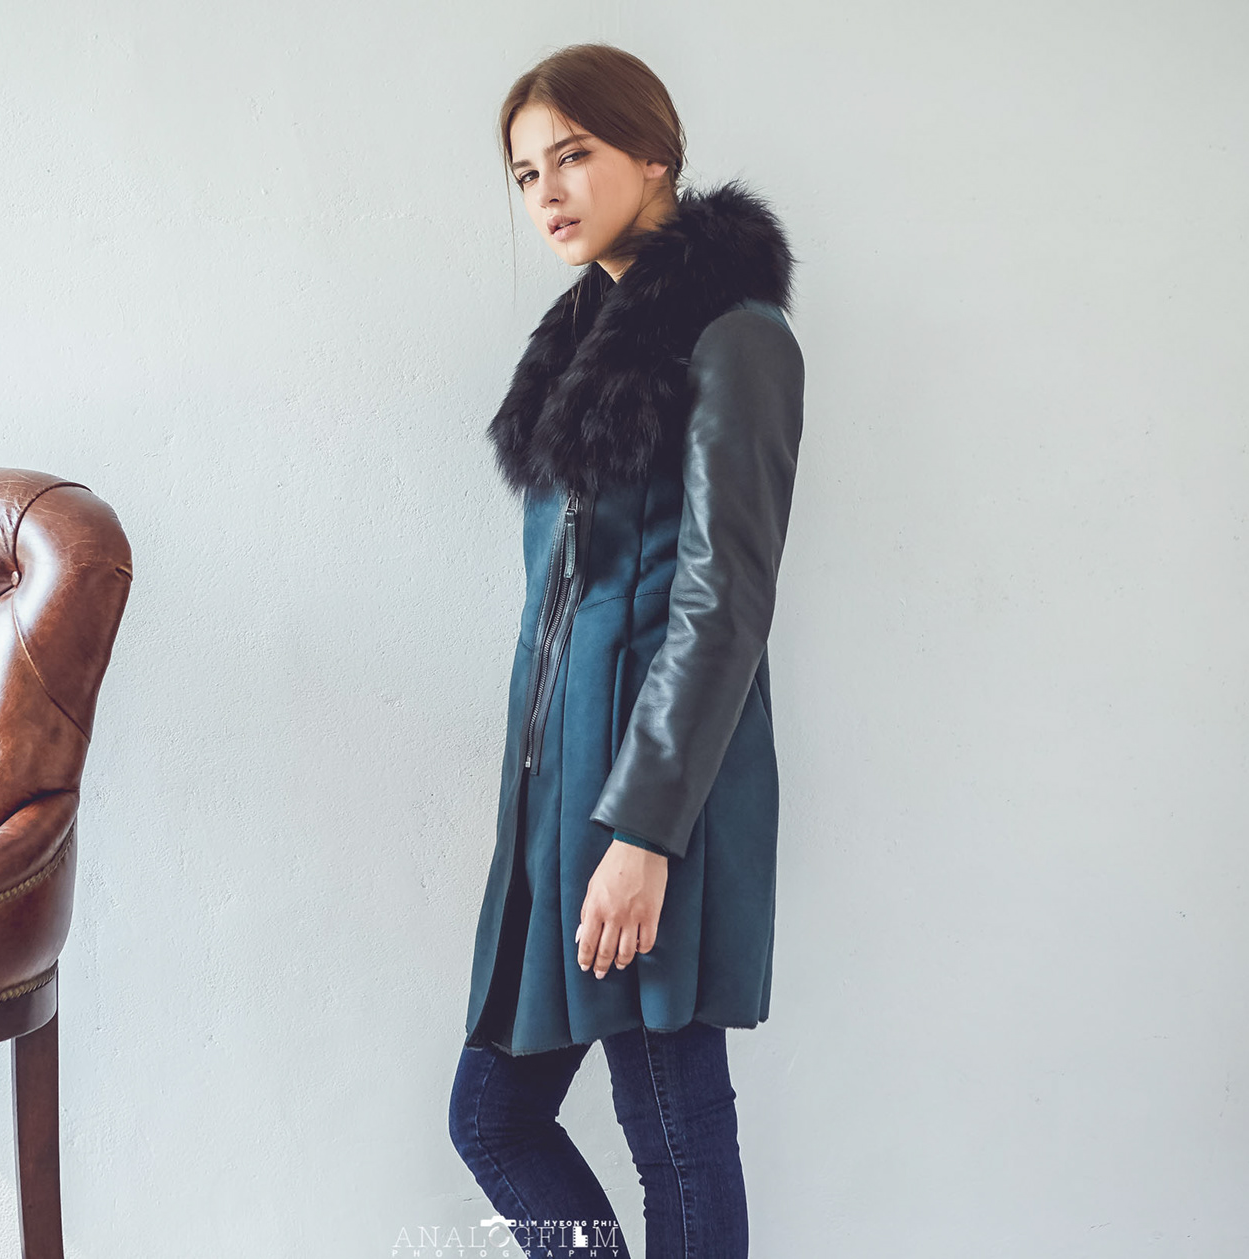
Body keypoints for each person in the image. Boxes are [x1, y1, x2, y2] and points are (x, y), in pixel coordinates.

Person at [446, 42, 806, 1259]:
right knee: (496, 1114)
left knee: (674, 1132)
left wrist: (645, 833)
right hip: (560, 794)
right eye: (524, 173)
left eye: (574, 155)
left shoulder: (735, 338)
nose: (546, 191)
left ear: (654, 153)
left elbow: (723, 600)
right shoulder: (581, 350)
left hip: (654, 798)